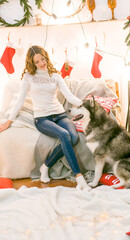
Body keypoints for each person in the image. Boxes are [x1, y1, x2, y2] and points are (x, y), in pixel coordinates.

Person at [0, 45, 91, 191]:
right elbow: (20, 101)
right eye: (37, 62)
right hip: (42, 119)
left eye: (43, 59)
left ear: (46, 57)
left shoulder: (55, 75)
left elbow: (69, 95)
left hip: (60, 114)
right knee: (64, 135)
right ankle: (79, 177)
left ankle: (46, 166)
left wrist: (87, 105)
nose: (41, 63)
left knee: (73, 138)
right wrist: (7, 122)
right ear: (32, 63)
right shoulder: (28, 77)